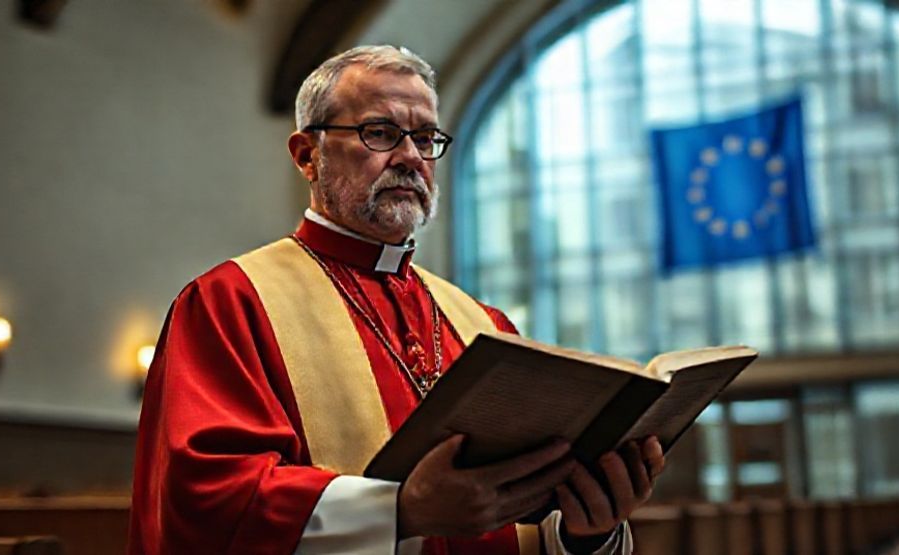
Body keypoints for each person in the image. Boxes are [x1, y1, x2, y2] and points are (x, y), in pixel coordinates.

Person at [127, 45, 666, 555]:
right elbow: (203, 502)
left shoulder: (482, 322)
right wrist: (400, 510)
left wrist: (585, 530)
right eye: (380, 132)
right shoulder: (231, 303)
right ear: (307, 155)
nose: (410, 157)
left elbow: (524, 521)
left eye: (426, 138)